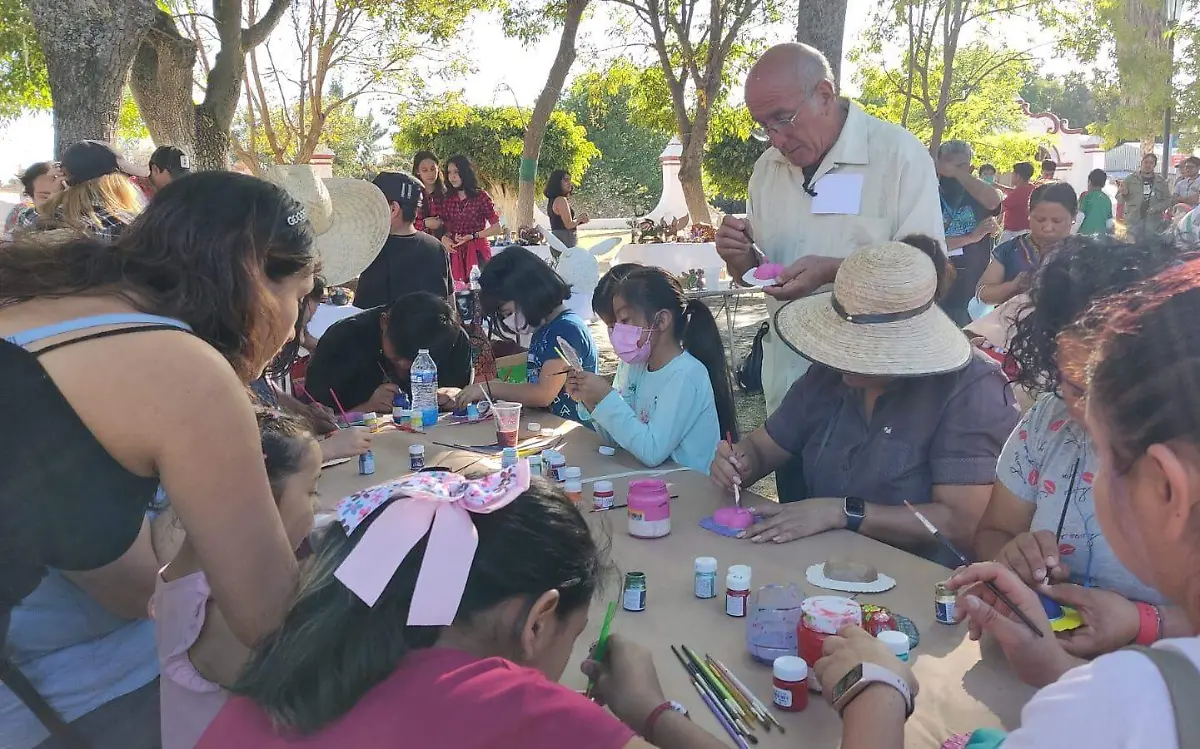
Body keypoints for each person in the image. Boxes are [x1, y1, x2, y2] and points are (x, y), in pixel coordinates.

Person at [820, 257, 1200, 749]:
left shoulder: (1130, 703)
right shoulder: (1129, 699)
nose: (1076, 415)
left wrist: (875, 693)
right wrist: (1054, 663)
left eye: (1106, 458)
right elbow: (993, 532)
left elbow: (1111, 715)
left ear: (1167, 488)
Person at [0, 172, 317, 744]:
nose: (296, 321)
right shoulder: (182, 368)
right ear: (255, 272)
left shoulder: (50, 304)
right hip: (47, 699)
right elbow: (269, 622)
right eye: (301, 294)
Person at [197, 465, 732, 749]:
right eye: (571, 640)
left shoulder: (304, 658)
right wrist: (649, 710)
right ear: (538, 620)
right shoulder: (508, 707)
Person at [709, 240, 1019, 566]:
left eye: (860, 348)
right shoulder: (829, 374)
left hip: (923, 580)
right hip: (825, 569)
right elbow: (763, 448)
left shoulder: (971, 389)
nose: (845, 357)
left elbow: (962, 524)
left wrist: (844, 512)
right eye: (842, 342)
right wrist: (740, 462)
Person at [971, 234, 1186, 671]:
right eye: (1075, 388)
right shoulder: (1048, 422)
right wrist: (1009, 556)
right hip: (1034, 668)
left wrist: (1142, 622)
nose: (1092, 412)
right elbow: (993, 532)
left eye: (1117, 388)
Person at [715, 42, 944, 416]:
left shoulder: (897, 156)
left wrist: (835, 271)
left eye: (783, 119)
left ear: (824, 95)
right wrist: (740, 259)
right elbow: (763, 268)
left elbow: (928, 272)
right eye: (764, 127)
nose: (776, 139)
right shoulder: (767, 171)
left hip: (872, 390)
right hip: (788, 388)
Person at [155, 409, 319, 749]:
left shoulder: (194, 570)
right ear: (263, 500)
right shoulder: (226, 616)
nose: (317, 508)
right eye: (311, 491)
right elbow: (315, 698)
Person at [565, 266, 736, 473]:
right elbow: (621, 438)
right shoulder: (638, 368)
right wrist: (591, 399)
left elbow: (652, 451)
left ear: (661, 320)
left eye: (624, 321)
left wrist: (606, 396)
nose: (617, 332)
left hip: (690, 487)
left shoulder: (686, 375)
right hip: (655, 482)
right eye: (614, 325)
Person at [455, 246, 598, 424]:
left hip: (577, 433)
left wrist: (489, 388)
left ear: (528, 294)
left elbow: (543, 394)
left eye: (508, 313)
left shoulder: (566, 330)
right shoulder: (545, 329)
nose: (507, 321)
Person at [304, 292, 472, 415]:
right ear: (384, 321)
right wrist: (367, 408)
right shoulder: (342, 341)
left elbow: (464, 397)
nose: (405, 367)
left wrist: (457, 396)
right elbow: (314, 421)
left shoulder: (454, 341)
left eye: (417, 361)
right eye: (397, 358)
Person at [354, 171, 453, 309]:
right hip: (435, 323)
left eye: (375, 205)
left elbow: (364, 312)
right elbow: (450, 304)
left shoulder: (376, 251)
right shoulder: (436, 247)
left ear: (393, 209)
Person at [976, 182, 1078, 307]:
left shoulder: (1084, 253)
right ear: (1029, 214)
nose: (1047, 228)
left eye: (1057, 221)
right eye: (1040, 220)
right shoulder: (1010, 250)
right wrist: (1012, 286)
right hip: (1012, 317)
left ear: (1073, 218)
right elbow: (983, 293)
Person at [937, 140, 1004, 326]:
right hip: (938, 280)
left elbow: (994, 201)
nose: (951, 171)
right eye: (947, 164)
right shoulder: (929, 192)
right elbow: (933, 241)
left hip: (971, 280)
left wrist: (957, 172)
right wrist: (971, 237)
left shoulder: (978, 192)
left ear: (970, 167)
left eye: (960, 165)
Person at [39, 140, 146, 240]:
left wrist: (54, 195)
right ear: (114, 181)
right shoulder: (127, 226)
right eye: (126, 177)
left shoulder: (42, 220)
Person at [433, 155, 502, 284]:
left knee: (480, 288)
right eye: (449, 173)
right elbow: (446, 227)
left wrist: (473, 236)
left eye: (456, 172)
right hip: (455, 252)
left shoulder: (481, 196)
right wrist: (445, 238)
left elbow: (497, 228)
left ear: (465, 173)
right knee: (457, 289)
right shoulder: (446, 198)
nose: (452, 177)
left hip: (477, 251)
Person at [1116, 153, 1171, 236]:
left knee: (1151, 243)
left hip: (1153, 224)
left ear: (1154, 165)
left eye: (1151, 163)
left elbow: (1168, 200)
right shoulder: (1130, 179)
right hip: (1133, 223)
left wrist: (1156, 208)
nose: (1148, 165)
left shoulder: (1161, 182)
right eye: (1146, 162)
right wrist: (1124, 194)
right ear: (1141, 163)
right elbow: (1118, 198)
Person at [4, 161, 63, 235]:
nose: (54, 202)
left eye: (61, 196)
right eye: (45, 197)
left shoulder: (71, 216)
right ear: (32, 196)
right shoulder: (26, 218)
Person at [545, 169, 589, 248]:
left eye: (570, 180)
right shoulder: (561, 200)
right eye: (566, 180)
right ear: (557, 182)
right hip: (565, 243)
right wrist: (579, 219)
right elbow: (568, 225)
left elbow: (561, 224)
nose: (569, 183)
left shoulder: (553, 200)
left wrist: (579, 221)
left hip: (558, 242)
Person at [997, 161, 1036, 244]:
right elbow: (1012, 192)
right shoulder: (1033, 189)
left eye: (1013, 174)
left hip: (1013, 234)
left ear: (1018, 176)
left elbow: (998, 209)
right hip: (1029, 232)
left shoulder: (1017, 194)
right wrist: (997, 186)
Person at [412, 150, 445, 235]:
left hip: (443, 241)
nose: (430, 174)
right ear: (417, 171)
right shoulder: (412, 194)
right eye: (425, 170)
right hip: (419, 240)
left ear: (438, 168)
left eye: (433, 169)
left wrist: (442, 223)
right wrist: (424, 223)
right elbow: (406, 224)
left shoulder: (445, 194)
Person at [1077, 168, 1114, 235]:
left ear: (1089, 182)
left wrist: (1072, 232)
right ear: (1104, 184)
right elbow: (1109, 223)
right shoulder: (1107, 199)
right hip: (1101, 236)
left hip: (1084, 235)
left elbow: (1080, 217)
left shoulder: (1085, 196)